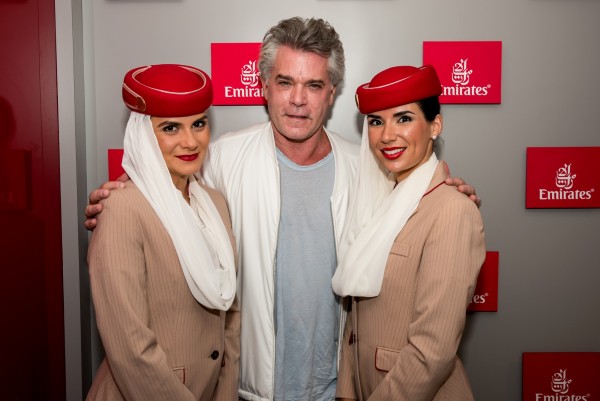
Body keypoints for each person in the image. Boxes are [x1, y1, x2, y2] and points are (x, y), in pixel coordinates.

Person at [84, 18, 481, 401]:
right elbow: (163, 193)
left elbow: (417, 205)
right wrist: (118, 193)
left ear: (332, 93)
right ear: (264, 87)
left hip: (338, 389)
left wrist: (448, 193)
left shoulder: (368, 169)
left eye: (314, 85)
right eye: (285, 82)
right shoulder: (218, 159)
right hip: (243, 389)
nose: (297, 99)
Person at [86, 64, 240, 401]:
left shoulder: (214, 203)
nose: (190, 141)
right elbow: (130, 346)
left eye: (198, 124)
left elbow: (229, 318)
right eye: (171, 128)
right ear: (143, 135)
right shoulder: (122, 208)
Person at [332, 65, 485, 401]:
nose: (387, 135)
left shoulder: (452, 209)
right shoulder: (377, 201)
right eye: (376, 121)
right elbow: (356, 320)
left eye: (403, 118)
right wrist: (346, 392)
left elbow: (433, 351)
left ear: (435, 125)